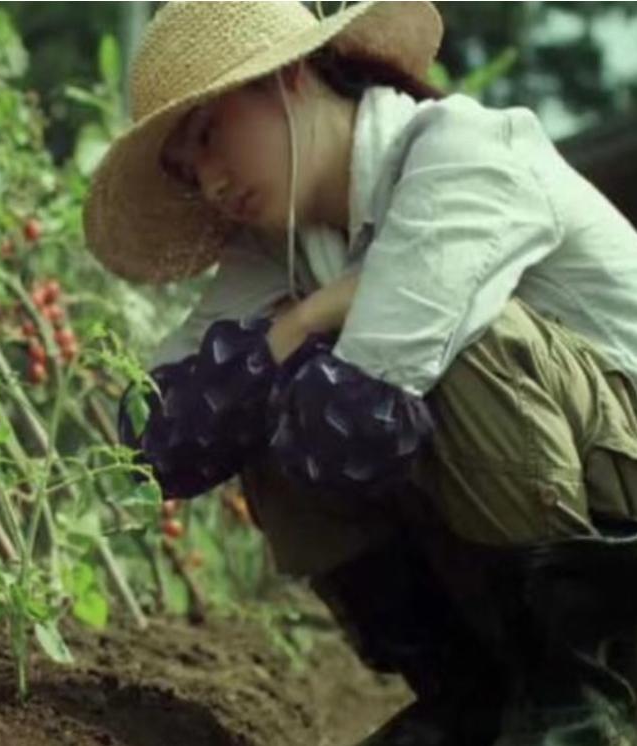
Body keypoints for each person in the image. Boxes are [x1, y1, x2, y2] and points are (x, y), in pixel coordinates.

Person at [84, 2, 637, 744]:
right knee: (259, 388)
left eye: (210, 136)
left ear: (289, 77)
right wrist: (302, 321)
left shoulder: (462, 153)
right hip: (547, 511)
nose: (211, 181)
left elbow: (361, 420)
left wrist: (319, 326)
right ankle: (467, 695)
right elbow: (156, 431)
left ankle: (576, 697)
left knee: (459, 341)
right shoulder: (279, 249)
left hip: (618, 501)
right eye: (189, 170)